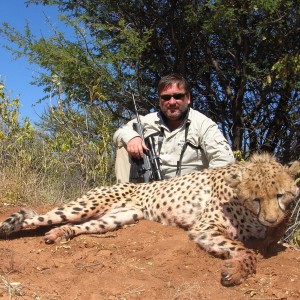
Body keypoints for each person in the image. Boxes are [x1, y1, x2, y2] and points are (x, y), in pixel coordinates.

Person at [113, 73, 234, 183]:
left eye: (177, 96)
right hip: (150, 190)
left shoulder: (204, 124)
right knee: (124, 144)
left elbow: (224, 160)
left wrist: (204, 187)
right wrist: (132, 137)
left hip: (191, 192)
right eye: (166, 97)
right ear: (160, 100)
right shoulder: (147, 121)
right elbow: (120, 131)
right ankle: (124, 199)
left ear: (188, 98)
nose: (171, 102)